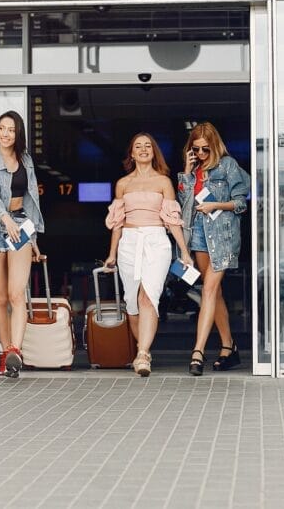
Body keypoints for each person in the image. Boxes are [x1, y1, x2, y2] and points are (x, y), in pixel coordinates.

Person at [104, 132, 193, 377]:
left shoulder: (163, 181)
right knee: (132, 304)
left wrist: (184, 252)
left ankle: (142, 354)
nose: (143, 149)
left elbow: (173, 220)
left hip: (156, 241)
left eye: (148, 146)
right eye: (138, 146)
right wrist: (111, 254)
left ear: (154, 152)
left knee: (148, 297)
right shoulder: (123, 183)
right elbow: (117, 223)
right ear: (131, 154)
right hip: (129, 244)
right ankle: (144, 350)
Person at [0, 110, 44, 378]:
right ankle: (5, 355)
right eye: (2, 128)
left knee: (17, 294)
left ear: (18, 134)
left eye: (11, 130)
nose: (6, 134)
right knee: (1, 297)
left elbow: (31, 199)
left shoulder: (25, 160)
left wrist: (33, 237)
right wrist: (4, 219)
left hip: (22, 227)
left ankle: (16, 350)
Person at [177, 122, 250, 375]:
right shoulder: (193, 170)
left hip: (222, 235)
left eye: (205, 149)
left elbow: (241, 203)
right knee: (214, 293)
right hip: (198, 234)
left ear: (215, 146)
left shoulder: (228, 166)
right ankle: (228, 348)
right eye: (195, 149)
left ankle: (197, 352)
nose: (200, 154)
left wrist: (215, 205)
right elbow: (184, 206)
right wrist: (187, 172)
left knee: (208, 290)